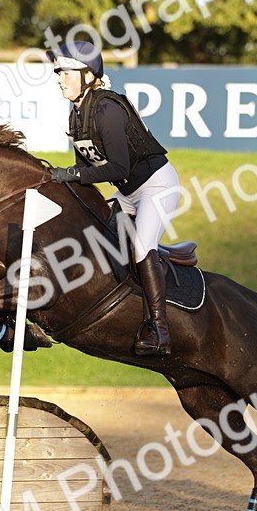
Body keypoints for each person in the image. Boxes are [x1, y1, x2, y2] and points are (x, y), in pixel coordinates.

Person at [46, 40, 180, 356]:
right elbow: (84, 167)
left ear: (89, 75)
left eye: (66, 72)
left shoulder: (106, 109)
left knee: (141, 246)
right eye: (58, 72)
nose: (60, 78)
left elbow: (118, 166)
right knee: (99, 243)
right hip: (128, 193)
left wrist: (71, 175)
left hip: (157, 187)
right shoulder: (77, 115)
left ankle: (160, 329)